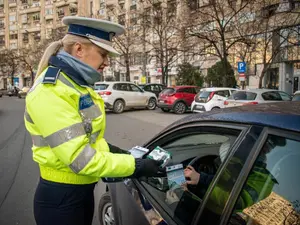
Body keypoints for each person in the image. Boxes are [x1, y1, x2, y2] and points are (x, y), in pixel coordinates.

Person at [24, 16, 164, 225]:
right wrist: (136, 165)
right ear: (79, 49)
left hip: (80, 193)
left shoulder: (75, 86)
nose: (106, 62)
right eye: (102, 54)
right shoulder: (51, 91)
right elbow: (82, 159)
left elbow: (87, 138)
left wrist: (116, 151)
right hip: (61, 200)